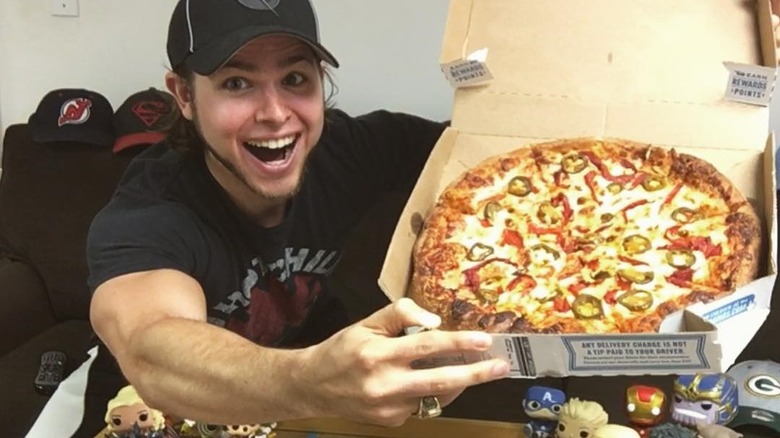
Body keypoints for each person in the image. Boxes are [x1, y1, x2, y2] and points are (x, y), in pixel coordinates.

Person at [86, 0, 511, 430]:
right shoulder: (150, 212)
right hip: (146, 417)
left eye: (294, 79)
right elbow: (152, 347)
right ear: (184, 95)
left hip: (287, 413)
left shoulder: (349, 151)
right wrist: (312, 380)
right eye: (236, 83)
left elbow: (488, 156)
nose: (275, 113)